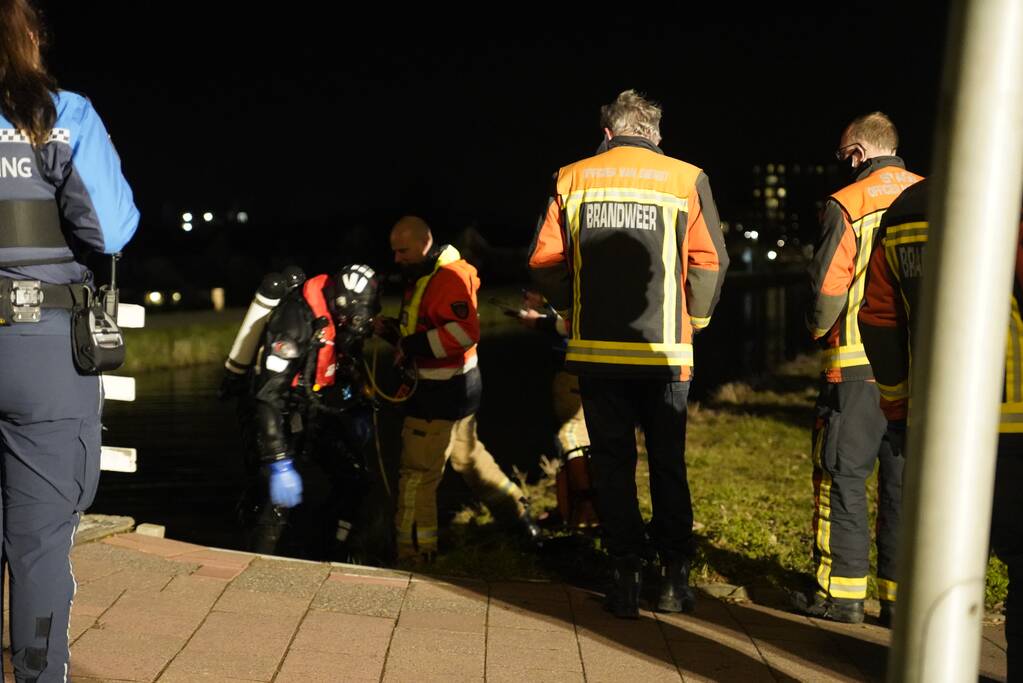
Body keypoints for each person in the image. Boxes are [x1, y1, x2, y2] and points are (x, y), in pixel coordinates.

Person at [527, 89, 729, 618]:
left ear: (609, 132)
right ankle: (674, 582)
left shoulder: (571, 178)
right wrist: (696, 322)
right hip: (665, 354)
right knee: (668, 465)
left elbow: (543, 261)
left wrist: (573, 308)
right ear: (656, 135)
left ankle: (624, 580)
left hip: (597, 353)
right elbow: (710, 261)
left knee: (612, 465)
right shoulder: (687, 178)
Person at [0, 2, 140, 680]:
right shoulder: (62, 114)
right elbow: (112, 230)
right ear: (29, 38)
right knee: (38, 545)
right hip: (40, 349)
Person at [859, 179, 1022, 674]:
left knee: (946, 561)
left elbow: (879, 318)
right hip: (1013, 421)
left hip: (938, 424)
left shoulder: (906, 210)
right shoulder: (1008, 196)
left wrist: (899, 406)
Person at [798, 112, 922, 625]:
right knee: (903, 483)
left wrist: (815, 330)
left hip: (856, 365)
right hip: (921, 371)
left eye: (842, 158)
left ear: (857, 153)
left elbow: (829, 287)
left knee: (843, 476)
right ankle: (899, 601)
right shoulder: (932, 195)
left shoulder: (848, 203)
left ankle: (841, 596)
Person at [376, 215, 540, 562]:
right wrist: (391, 332)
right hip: (458, 385)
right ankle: (517, 516)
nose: (397, 259)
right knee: (468, 457)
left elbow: (464, 334)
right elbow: (422, 330)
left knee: (417, 475)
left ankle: (415, 552)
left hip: (441, 391)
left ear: (423, 244)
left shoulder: (446, 279)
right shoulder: (425, 273)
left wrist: (412, 346)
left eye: (402, 251)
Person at [231, 264, 381, 562]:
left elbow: (344, 366)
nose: (362, 324)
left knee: (354, 479)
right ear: (342, 306)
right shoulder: (295, 322)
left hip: (313, 407)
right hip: (274, 410)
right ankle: (255, 565)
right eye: (359, 318)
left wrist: (357, 407)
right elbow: (268, 394)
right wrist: (278, 461)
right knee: (273, 502)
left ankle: (329, 552)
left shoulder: (344, 320)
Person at [515, 289, 598, 530]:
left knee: (572, 439)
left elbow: (579, 320)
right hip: (569, 367)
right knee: (568, 442)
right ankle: (569, 509)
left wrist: (540, 322)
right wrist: (547, 301)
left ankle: (587, 512)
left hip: (582, 367)